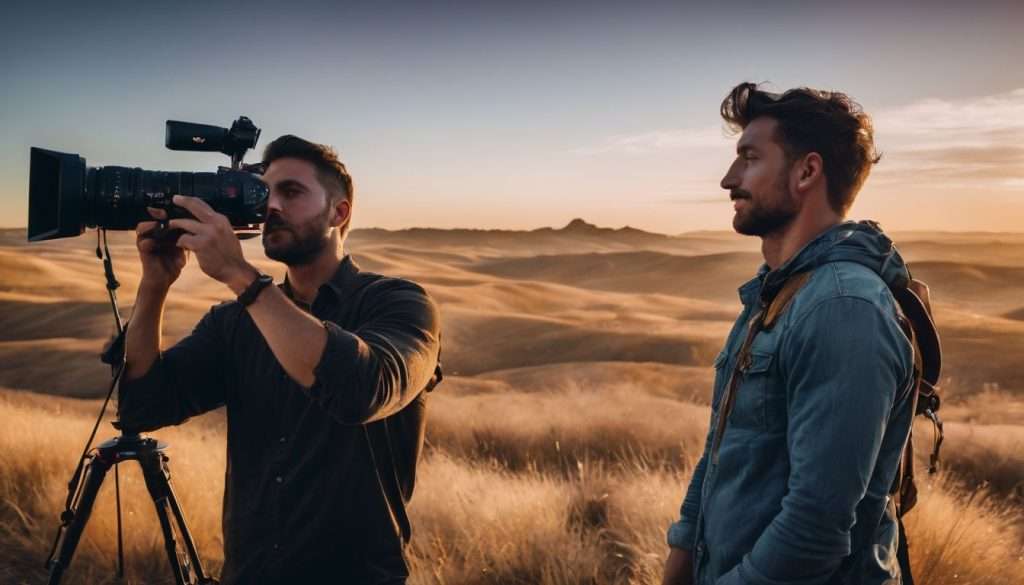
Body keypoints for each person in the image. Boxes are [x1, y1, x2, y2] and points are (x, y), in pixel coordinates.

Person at [118, 135, 442, 584]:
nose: (270, 206)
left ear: (339, 212)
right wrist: (154, 286)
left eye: (291, 192)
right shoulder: (236, 323)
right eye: (264, 192)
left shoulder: (399, 304)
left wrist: (241, 276)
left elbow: (360, 390)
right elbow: (143, 406)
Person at [662, 83, 916, 585]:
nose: (728, 179)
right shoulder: (777, 295)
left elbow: (814, 531)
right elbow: (721, 454)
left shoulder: (844, 309)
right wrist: (682, 558)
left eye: (749, 159)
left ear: (806, 172)